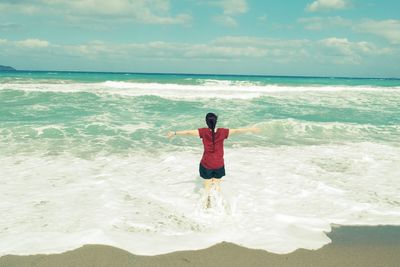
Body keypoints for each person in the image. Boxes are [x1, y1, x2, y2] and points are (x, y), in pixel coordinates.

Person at [167, 113, 259, 201]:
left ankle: (205, 205)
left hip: (206, 164)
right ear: (216, 121)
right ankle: (218, 204)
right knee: (217, 185)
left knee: (207, 188)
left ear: (206, 122)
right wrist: (251, 129)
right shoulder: (222, 132)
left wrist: (174, 133)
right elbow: (236, 131)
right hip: (219, 164)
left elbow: (188, 133)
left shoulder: (203, 132)